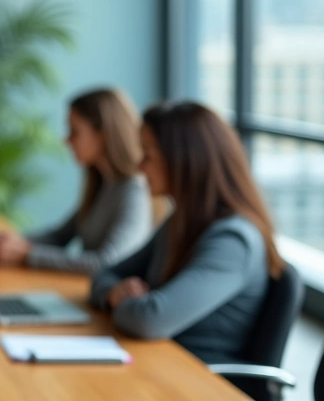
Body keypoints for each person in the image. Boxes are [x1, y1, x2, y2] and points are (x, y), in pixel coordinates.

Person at [88, 101, 286, 364]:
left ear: (185, 161)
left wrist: (119, 302)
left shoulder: (233, 241)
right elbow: (104, 274)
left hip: (199, 379)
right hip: (160, 361)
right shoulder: (181, 221)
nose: (139, 167)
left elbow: (149, 320)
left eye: (148, 155)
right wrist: (113, 292)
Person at [0, 88, 152, 274]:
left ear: (102, 134)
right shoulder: (102, 184)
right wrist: (13, 241)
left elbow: (107, 262)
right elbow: (60, 236)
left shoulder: (133, 191)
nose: (66, 141)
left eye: (74, 132)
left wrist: (29, 255)